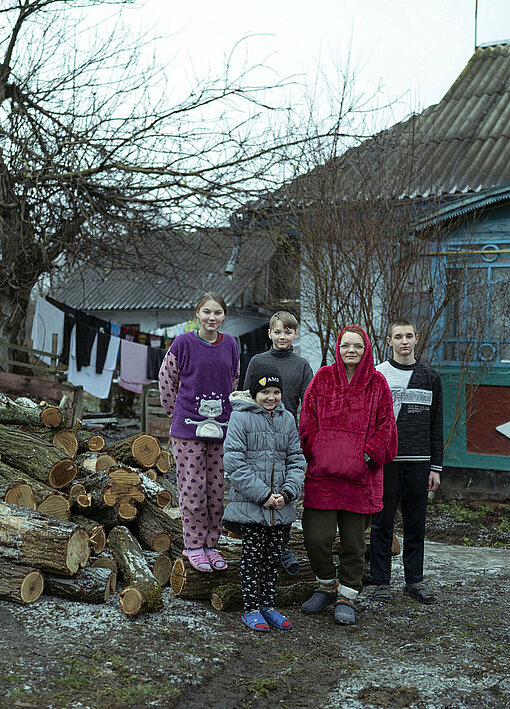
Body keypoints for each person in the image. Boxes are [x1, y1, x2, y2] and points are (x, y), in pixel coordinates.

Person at [299, 326, 398, 625]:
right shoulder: (322, 379)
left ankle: (347, 595)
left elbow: (387, 431)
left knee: (355, 544)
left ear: (366, 349)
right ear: (338, 348)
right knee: (317, 538)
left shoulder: (378, 384)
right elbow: (307, 421)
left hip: (360, 478)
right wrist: (320, 449)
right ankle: (327, 585)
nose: (350, 350)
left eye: (357, 346)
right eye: (345, 345)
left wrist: (366, 457)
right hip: (323, 476)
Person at [158, 292, 240, 572]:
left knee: (216, 491)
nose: (212, 318)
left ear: (224, 316)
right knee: (193, 489)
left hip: (222, 428)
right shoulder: (183, 343)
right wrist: (177, 413)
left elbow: (234, 380)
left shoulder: (230, 344)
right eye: (207, 312)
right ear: (197, 314)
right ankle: (193, 545)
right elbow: (166, 379)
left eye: (217, 313)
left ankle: (211, 545)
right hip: (187, 430)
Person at [222, 364, 306, 632]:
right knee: (252, 558)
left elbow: (296, 459)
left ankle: (269, 605)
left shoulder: (287, 419)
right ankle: (250, 609)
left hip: (280, 506)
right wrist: (263, 495)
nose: (271, 397)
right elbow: (234, 463)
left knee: (273, 557)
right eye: (265, 392)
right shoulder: (241, 418)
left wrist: (288, 492)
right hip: (252, 505)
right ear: (255, 392)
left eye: (276, 392)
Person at [369, 320, 443, 604]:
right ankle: (380, 582)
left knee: (416, 526)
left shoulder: (430, 377)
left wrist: (436, 467)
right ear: (389, 341)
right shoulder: (378, 374)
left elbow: (437, 425)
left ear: (416, 338)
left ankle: (414, 581)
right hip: (386, 463)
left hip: (420, 463)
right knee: (382, 524)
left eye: (409, 336)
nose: (404, 341)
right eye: (398, 337)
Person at [243, 311, 313, 575]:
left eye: (288, 331)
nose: (282, 336)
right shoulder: (258, 361)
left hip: (287, 434)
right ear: (269, 333)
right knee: (260, 486)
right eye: (278, 331)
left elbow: (308, 404)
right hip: (257, 434)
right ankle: (257, 541)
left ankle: (281, 545)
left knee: (284, 488)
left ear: (295, 334)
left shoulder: (302, 365)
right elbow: (245, 396)